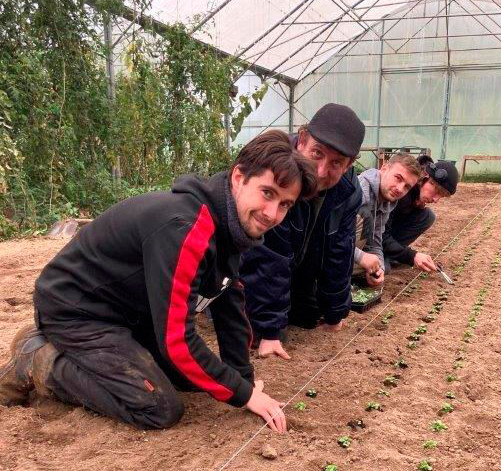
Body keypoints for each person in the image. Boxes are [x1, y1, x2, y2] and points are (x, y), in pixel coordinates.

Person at [0, 130, 317, 432]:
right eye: (267, 193)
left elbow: (227, 301)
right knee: (159, 406)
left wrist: (243, 381)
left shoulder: (231, 228)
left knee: (193, 380)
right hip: (77, 309)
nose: (272, 213)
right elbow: (177, 340)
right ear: (239, 177)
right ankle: (38, 358)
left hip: (129, 311)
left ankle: (75, 352)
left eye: (285, 204)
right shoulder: (187, 228)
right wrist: (246, 395)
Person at [240, 103, 365, 360]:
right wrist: (270, 330)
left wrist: (335, 313)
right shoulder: (277, 168)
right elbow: (268, 253)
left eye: (336, 163)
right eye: (317, 153)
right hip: (248, 264)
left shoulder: (348, 191)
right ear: (302, 140)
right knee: (259, 330)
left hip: (297, 265)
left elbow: (339, 252)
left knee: (309, 318)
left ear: (350, 164)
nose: (320, 171)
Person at [381, 155, 459, 273]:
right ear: (425, 178)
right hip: (374, 237)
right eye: (437, 192)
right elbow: (381, 234)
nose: (436, 200)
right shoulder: (399, 192)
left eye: (441, 196)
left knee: (427, 216)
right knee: (383, 268)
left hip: (385, 234)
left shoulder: (415, 193)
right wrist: (412, 256)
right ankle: (387, 254)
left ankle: (392, 254)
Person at [354, 153, 422, 287]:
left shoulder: (388, 201)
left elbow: (375, 241)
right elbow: (328, 240)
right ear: (384, 168)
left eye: (407, 186)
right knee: (365, 215)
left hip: (346, 253)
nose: (399, 189)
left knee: (382, 265)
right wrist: (361, 257)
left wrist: (379, 270)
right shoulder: (359, 192)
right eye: (398, 178)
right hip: (324, 252)